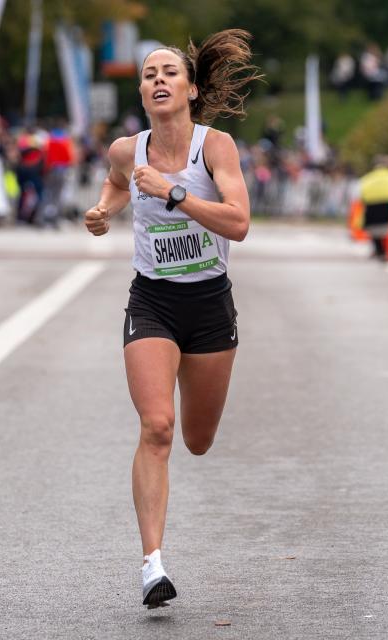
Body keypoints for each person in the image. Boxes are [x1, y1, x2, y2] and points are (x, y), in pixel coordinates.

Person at [83, 29, 260, 608]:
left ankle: (156, 554)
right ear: (142, 93)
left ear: (189, 89)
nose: (158, 80)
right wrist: (105, 210)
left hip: (209, 305)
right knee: (156, 427)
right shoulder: (125, 150)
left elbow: (238, 222)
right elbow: (115, 184)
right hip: (153, 300)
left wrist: (175, 194)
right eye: (150, 75)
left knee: (197, 439)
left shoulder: (217, 147)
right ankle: (152, 566)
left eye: (169, 73)